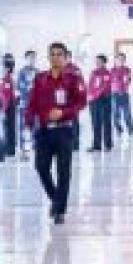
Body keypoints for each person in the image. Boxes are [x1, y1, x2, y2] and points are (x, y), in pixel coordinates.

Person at [25, 43, 87, 225]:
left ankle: (60, 210)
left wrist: (64, 112)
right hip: (44, 131)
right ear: (48, 57)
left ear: (66, 57)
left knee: (63, 171)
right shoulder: (40, 78)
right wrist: (29, 121)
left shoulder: (73, 78)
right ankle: (55, 199)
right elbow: (32, 102)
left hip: (64, 131)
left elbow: (81, 102)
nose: (55, 57)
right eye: (52, 54)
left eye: (59, 54)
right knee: (41, 167)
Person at [87, 54, 113, 152]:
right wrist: (89, 95)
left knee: (106, 122)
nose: (97, 63)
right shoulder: (94, 72)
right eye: (96, 61)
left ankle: (108, 145)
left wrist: (94, 95)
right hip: (93, 101)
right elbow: (90, 85)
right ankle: (96, 145)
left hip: (104, 100)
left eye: (99, 61)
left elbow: (104, 87)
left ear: (104, 62)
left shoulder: (107, 73)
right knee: (95, 123)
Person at [17, 50, 38, 161]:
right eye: (30, 58)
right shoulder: (22, 72)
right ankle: (23, 151)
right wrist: (29, 88)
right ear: (26, 59)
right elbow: (20, 87)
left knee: (36, 128)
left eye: (33, 58)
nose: (31, 60)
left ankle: (35, 150)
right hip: (25, 105)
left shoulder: (38, 72)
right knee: (23, 128)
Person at [111, 52, 133, 136]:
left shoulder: (127, 70)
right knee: (115, 114)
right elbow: (111, 82)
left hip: (124, 94)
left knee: (127, 113)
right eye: (119, 59)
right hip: (114, 94)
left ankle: (131, 131)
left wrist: (123, 89)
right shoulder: (112, 70)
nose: (121, 61)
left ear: (124, 60)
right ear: (115, 60)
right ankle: (118, 130)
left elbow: (128, 81)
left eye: (122, 59)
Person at [64, 50, 84, 151]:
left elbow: (81, 83)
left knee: (74, 122)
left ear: (70, 57)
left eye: (68, 57)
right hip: (61, 99)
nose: (66, 59)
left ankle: (75, 144)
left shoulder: (75, 69)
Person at [1, 53, 17, 158]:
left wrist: (4, 109)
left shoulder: (7, 78)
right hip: (11, 106)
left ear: (6, 68)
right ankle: (10, 149)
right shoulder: (9, 77)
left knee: (8, 128)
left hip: (8, 107)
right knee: (10, 127)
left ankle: (8, 149)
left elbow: (7, 96)